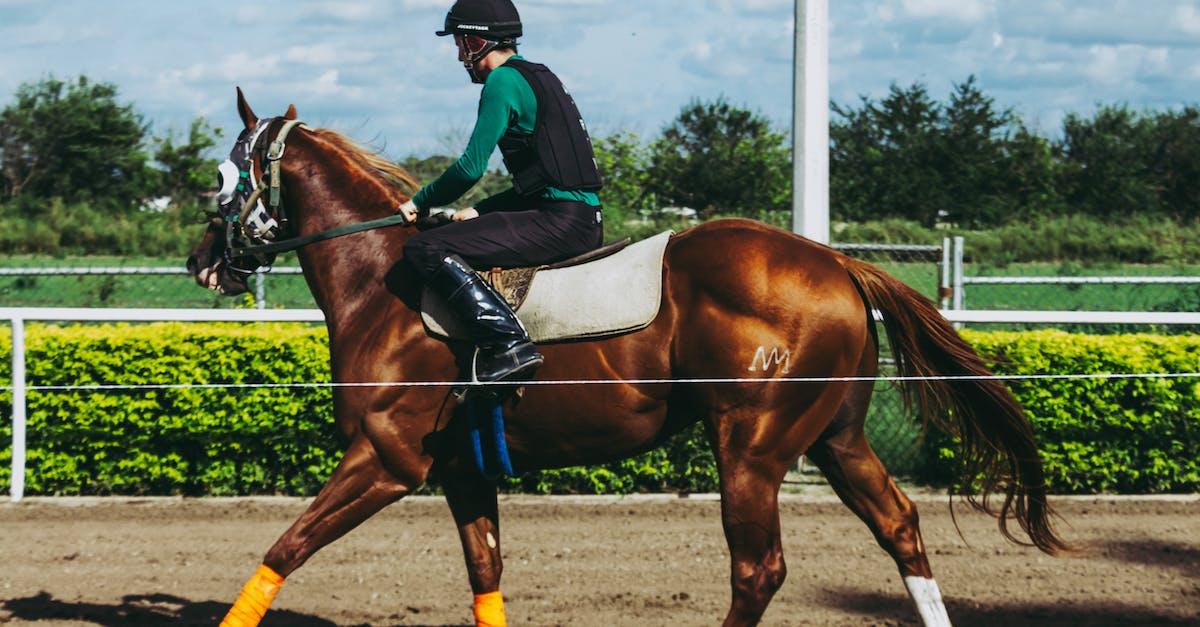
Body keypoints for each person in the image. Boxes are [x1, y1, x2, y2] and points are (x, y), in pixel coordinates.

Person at [397, 0, 604, 386]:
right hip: (577, 216)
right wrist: (481, 210)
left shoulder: (502, 82)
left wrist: (419, 200)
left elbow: (470, 168)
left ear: (476, 42)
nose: (459, 55)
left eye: (460, 44)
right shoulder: (540, 74)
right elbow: (547, 180)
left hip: (560, 222)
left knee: (423, 248)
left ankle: (507, 343)